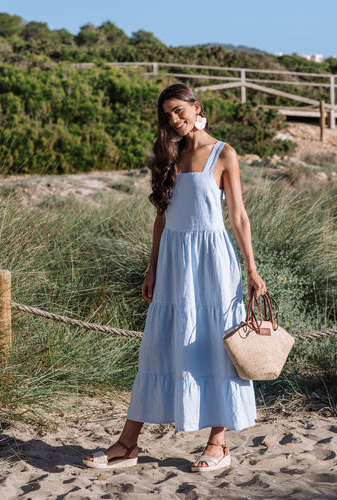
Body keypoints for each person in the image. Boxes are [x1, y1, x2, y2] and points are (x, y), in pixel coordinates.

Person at [83, 83, 266, 472]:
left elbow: (238, 216)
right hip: (173, 262)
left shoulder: (223, 153)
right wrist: (152, 267)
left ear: (196, 107)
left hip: (214, 262)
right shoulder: (167, 154)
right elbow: (162, 217)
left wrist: (251, 267)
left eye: (179, 111)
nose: (174, 120)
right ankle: (127, 444)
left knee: (217, 345)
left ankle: (218, 443)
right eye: (167, 114)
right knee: (158, 347)